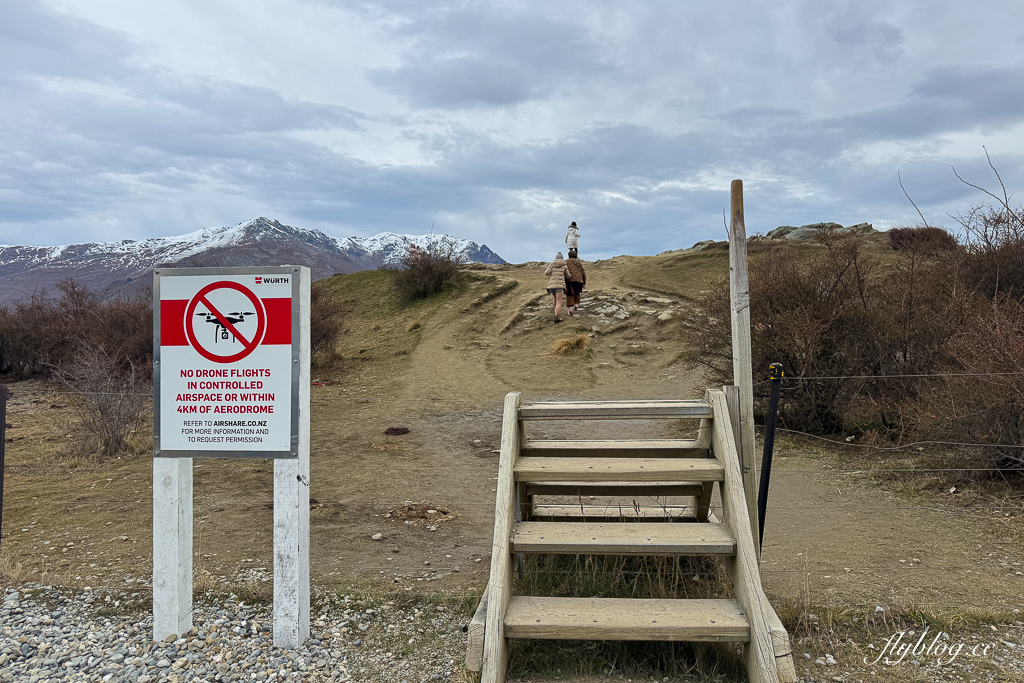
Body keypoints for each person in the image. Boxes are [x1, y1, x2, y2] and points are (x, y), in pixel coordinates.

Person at [544, 251, 569, 323]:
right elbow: (568, 275)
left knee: (554, 298)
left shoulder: (552, 264)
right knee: (559, 301)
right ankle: (556, 317)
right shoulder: (564, 265)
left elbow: (546, 273)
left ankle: (554, 312)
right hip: (559, 285)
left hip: (551, 286)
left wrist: (547, 268)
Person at [564, 248, 586, 315]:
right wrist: (584, 281)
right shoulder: (578, 262)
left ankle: (571, 309)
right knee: (577, 293)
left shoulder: (566, 262)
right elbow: (583, 272)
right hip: (579, 280)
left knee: (569, 294)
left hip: (569, 280)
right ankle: (576, 305)